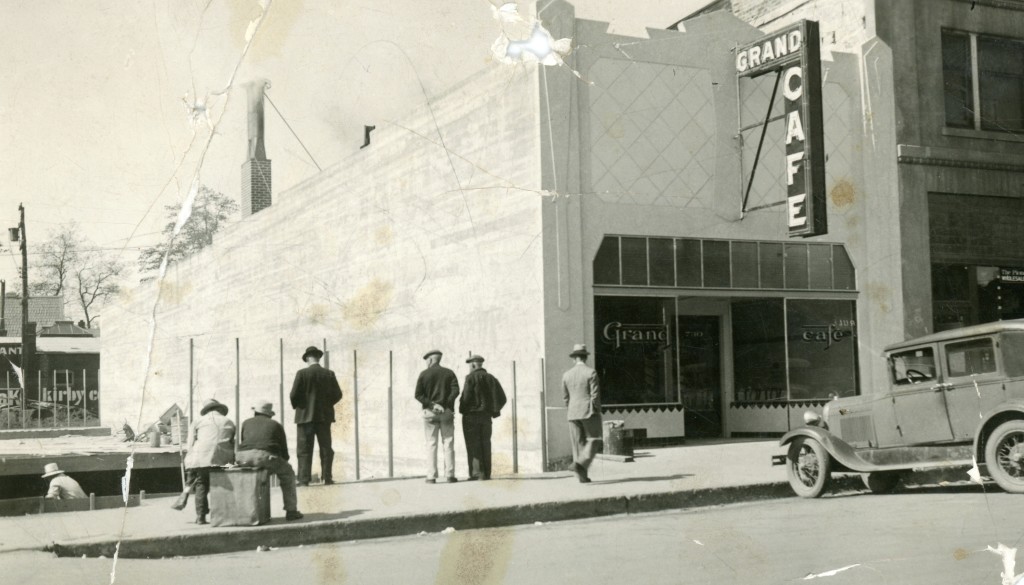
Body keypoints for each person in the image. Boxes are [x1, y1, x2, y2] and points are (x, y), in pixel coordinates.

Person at [236, 400, 304, 521]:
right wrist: (282, 462)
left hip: (242, 456)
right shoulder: (276, 425)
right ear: (269, 414)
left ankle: (244, 513)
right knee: (288, 474)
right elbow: (284, 450)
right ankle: (291, 511)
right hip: (264, 456)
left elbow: (245, 441)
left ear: (255, 412)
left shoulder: (245, 423)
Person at [290, 345, 343, 486]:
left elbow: (293, 395)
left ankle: (303, 480)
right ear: (319, 357)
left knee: (304, 450)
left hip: (304, 417)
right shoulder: (329, 373)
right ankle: (327, 478)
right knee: (326, 448)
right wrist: (326, 405)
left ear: (307, 358)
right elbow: (338, 394)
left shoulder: (301, 373)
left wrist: (300, 407)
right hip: (324, 417)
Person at [184, 398, 236, 524]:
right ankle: (220, 517)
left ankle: (200, 517)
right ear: (219, 409)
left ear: (206, 410)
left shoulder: (197, 421)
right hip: (222, 460)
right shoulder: (229, 422)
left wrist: (189, 463)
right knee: (220, 486)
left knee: (201, 484)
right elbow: (232, 443)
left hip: (201, 459)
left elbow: (190, 444)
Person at [414, 349, 460, 483]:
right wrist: (445, 405)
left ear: (430, 360)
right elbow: (456, 390)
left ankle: (431, 476)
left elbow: (418, 395)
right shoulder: (449, 373)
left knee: (431, 444)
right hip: (446, 412)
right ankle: (450, 475)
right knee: (449, 442)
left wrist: (433, 405)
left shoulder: (424, 374)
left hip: (430, 412)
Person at [458, 354, 507, 481]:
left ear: (473, 365)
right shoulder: (491, 378)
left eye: (470, 365)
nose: (469, 368)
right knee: (486, 443)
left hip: (471, 416)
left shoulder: (470, 378)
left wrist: (462, 409)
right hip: (486, 417)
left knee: (473, 445)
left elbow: (466, 398)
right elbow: (503, 398)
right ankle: (486, 473)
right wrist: (494, 411)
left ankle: (477, 473)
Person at [562, 344, 602, 483]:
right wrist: (596, 410)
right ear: (585, 357)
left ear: (574, 358)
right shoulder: (591, 372)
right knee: (594, 440)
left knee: (578, 445)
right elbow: (595, 396)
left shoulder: (566, 375)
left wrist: (571, 409)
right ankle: (580, 464)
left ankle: (582, 477)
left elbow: (565, 397)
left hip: (572, 412)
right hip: (588, 411)